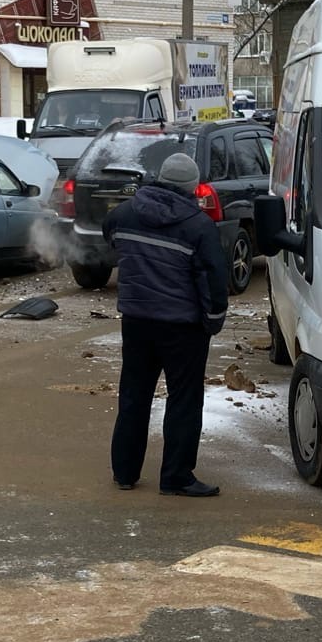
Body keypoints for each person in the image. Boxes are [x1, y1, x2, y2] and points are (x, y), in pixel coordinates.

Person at [102, 151, 229, 498]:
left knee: (134, 395)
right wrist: (213, 320)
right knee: (184, 400)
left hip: (137, 321)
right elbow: (214, 278)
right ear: (191, 187)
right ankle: (176, 477)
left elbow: (109, 236)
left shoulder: (126, 214)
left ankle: (125, 472)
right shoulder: (198, 225)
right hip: (182, 328)